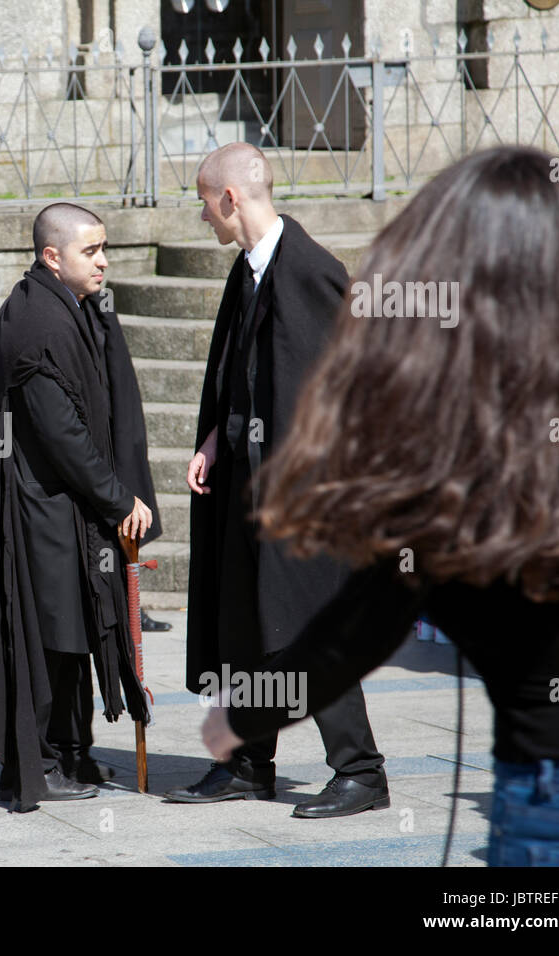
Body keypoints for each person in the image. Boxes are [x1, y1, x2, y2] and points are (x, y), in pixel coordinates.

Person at [200, 144, 559, 865]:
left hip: (556, 810)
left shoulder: (456, 470)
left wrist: (243, 714)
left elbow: (357, 628)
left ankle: (354, 770)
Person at [168, 142, 389, 817]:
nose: (203, 217)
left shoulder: (312, 271)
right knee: (243, 622)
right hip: (247, 480)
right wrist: (215, 434)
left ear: (230, 199)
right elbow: (244, 368)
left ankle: (361, 770)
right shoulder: (250, 269)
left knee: (304, 627)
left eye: (206, 204)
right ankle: (247, 763)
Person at [0, 202, 161, 811]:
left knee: (72, 635)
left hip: (64, 510)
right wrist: (118, 498)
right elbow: (60, 429)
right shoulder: (35, 321)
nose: (104, 261)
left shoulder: (71, 306)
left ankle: (67, 751)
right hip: (36, 513)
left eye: (104, 248)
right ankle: (36, 761)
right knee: (46, 639)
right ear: (52, 256)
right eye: (91, 250)